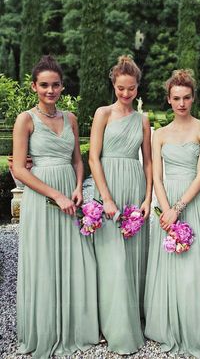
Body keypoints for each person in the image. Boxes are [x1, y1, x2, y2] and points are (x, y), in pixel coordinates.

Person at [13, 55, 99, 358]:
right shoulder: (25, 119)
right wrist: (56, 195)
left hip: (69, 195)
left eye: (56, 85)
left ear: (63, 87)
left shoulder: (71, 119)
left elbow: (78, 160)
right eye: (44, 85)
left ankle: (75, 325)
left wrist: (76, 188)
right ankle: (45, 328)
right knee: (44, 258)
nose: (50, 90)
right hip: (42, 199)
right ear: (35, 86)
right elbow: (21, 170)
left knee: (75, 258)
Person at [144, 69, 200, 358]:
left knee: (194, 263)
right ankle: (169, 321)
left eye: (186, 98)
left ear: (193, 98)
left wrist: (178, 209)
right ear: (168, 100)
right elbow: (157, 177)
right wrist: (165, 210)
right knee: (170, 263)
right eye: (176, 98)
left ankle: (199, 324)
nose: (181, 103)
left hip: (192, 204)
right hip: (167, 201)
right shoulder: (161, 135)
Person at [89, 55, 152, 354]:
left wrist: (148, 199)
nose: (126, 94)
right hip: (109, 188)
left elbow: (149, 162)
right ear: (113, 85)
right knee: (111, 258)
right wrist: (107, 198)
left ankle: (135, 316)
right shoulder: (102, 113)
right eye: (120, 88)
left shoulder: (143, 120)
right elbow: (93, 158)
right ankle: (112, 324)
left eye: (131, 89)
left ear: (138, 88)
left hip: (135, 187)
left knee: (133, 257)